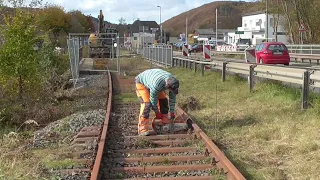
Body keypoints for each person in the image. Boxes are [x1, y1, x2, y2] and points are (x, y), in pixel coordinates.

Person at [135, 69, 180, 136]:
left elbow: (172, 99)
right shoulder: (156, 85)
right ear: (167, 86)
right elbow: (153, 101)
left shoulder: (173, 82)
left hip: (153, 79)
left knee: (163, 101)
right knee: (147, 104)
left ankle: (165, 122)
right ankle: (142, 129)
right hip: (141, 83)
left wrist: (172, 112)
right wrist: (157, 113)